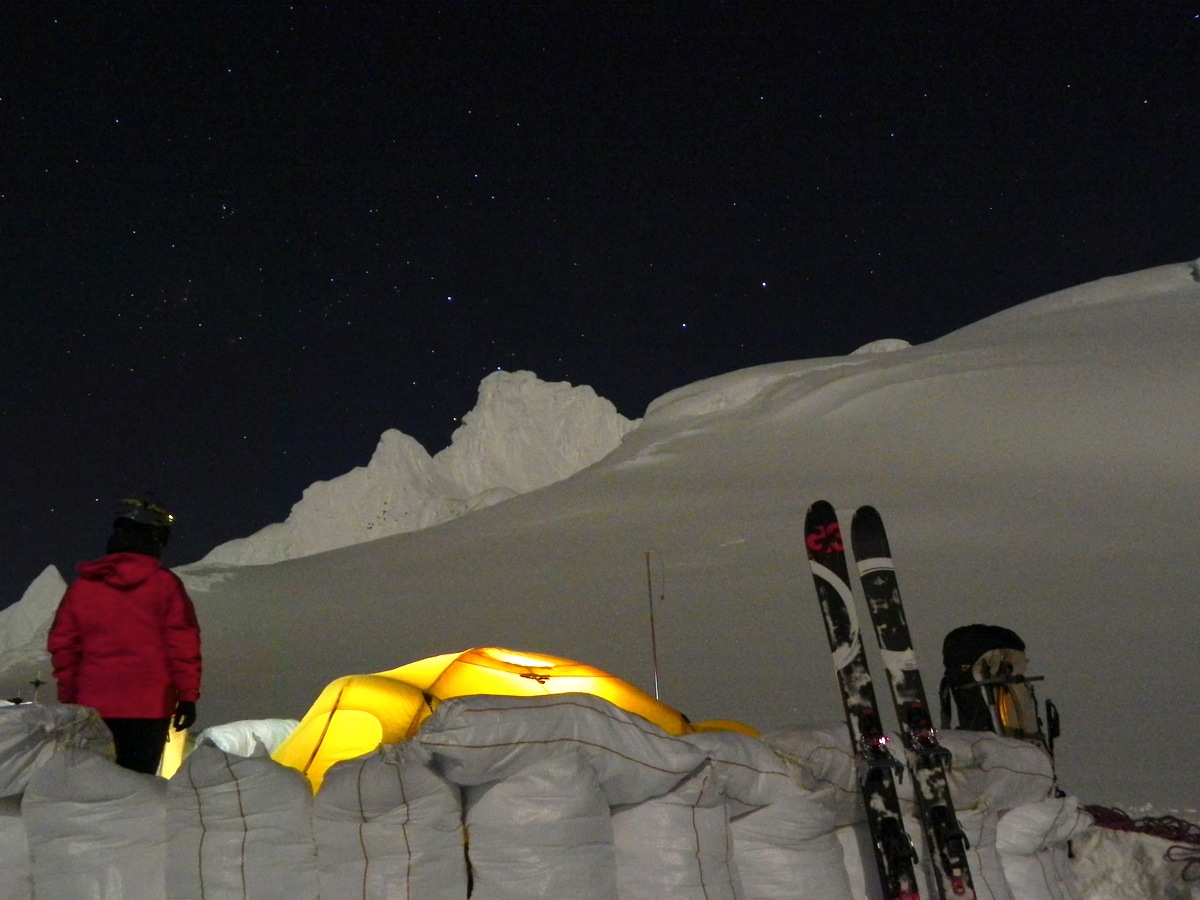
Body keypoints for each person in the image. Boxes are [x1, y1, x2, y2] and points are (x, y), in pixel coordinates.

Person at [47, 493, 202, 774]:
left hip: (92, 706)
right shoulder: (165, 586)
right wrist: (188, 697)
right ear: (155, 538)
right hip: (150, 708)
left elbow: (64, 646)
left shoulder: (83, 588)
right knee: (136, 787)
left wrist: (70, 698)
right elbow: (183, 645)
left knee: (91, 781)